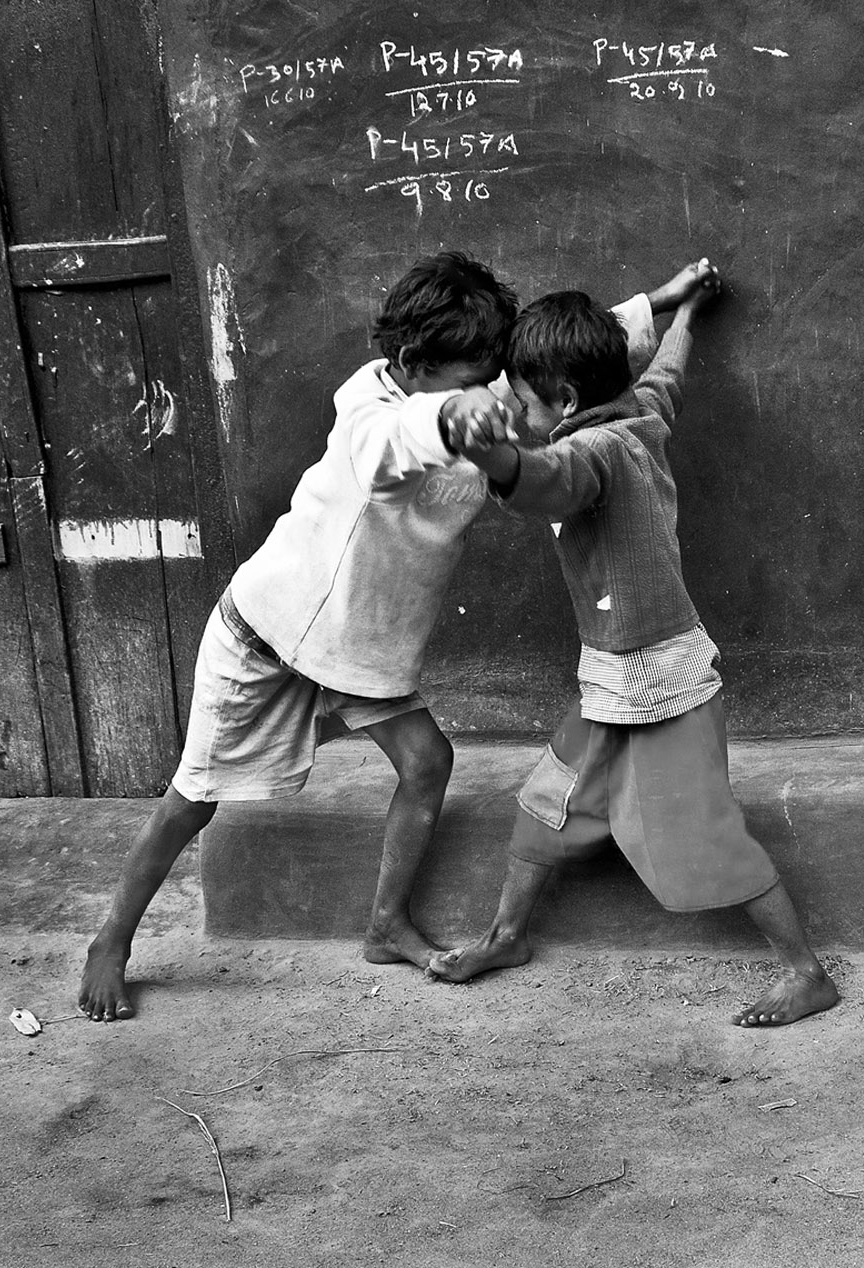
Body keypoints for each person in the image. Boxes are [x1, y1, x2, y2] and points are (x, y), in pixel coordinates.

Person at [77, 251, 701, 1021]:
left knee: (427, 761)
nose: (493, 391)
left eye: (493, 378)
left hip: (357, 652)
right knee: (193, 799)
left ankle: (384, 925)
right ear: (411, 364)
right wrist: (450, 419)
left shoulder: (478, 390)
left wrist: (661, 300)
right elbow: (394, 444)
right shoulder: (373, 411)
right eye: (471, 381)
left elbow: (563, 359)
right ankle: (112, 940)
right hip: (266, 636)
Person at [427, 261, 840, 1028]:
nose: (512, 406)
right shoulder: (641, 411)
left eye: (521, 398)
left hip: (662, 692)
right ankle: (507, 937)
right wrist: (686, 311)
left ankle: (806, 973)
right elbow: (667, 374)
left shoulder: (595, 454)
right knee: (547, 804)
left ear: (565, 402)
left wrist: (489, 454)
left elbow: (545, 480)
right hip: (611, 685)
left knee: (699, 837)